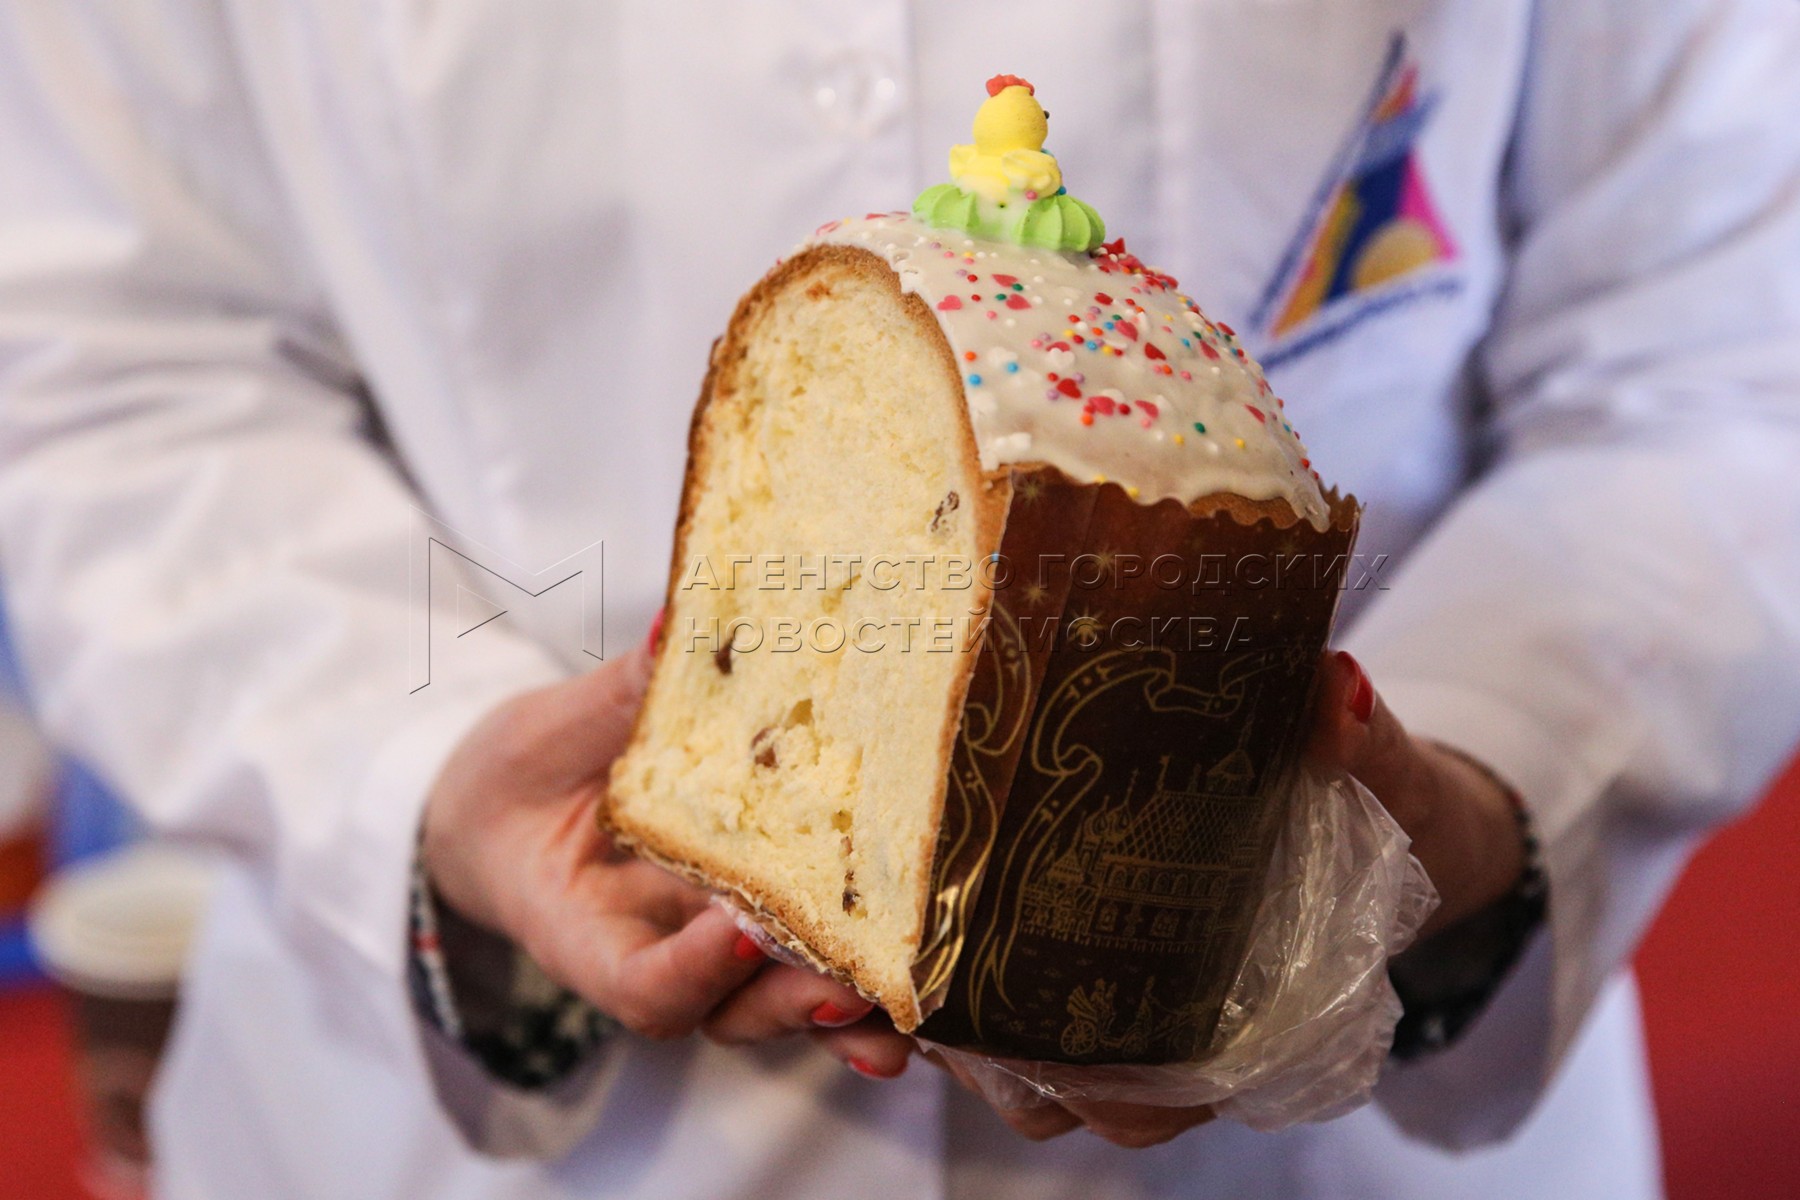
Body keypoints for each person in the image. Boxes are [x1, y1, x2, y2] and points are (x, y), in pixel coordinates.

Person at [2, 2, 1797, 1197]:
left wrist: (1478, 796)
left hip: (1320, 1141)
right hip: (468, 1137)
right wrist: (400, 774)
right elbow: (116, 370)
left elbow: (1724, 358)